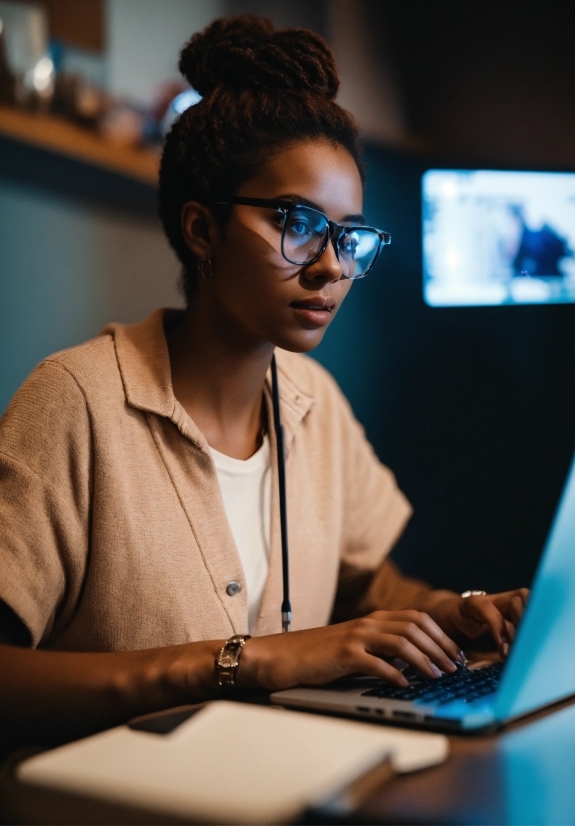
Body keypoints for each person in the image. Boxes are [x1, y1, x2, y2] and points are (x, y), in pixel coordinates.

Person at [0, 16, 528, 756]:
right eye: (296, 222)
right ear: (201, 230)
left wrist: (456, 614)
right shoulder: (75, 403)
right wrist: (244, 661)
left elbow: (370, 591)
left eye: (349, 236)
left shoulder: (317, 403)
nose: (331, 268)